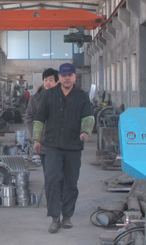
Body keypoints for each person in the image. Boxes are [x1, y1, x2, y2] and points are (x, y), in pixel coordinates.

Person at [33, 63, 95, 234]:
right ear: (59, 77)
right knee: (52, 180)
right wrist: (37, 140)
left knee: (70, 183)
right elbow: (39, 119)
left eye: (70, 75)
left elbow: (88, 117)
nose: (67, 78)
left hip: (73, 146)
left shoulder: (82, 96)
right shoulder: (49, 95)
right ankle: (54, 217)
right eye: (64, 75)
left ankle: (67, 216)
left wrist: (85, 131)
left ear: (75, 77)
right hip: (52, 146)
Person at [25, 68, 59, 163]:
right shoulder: (35, 99)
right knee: (48, 170)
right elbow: (29, 117)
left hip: (61, 143)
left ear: (57, 82)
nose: (48, 83)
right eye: (45, 80)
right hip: (44, 143)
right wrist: (36, 136)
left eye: (51, 80)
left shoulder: (64, 97)